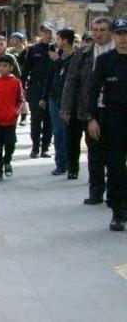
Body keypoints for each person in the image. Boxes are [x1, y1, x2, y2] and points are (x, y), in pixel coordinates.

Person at [62, 17, 113, 197]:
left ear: (110, 31)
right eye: (95, 30)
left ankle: (115, 191)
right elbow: (71, 80)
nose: (98, 34)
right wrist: (66, 107)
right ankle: (96, 191)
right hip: (89, 108)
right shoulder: (83, 53)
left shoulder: (118, 51)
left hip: (114, 109)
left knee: (114, 152)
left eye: (103, 30)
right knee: (94, 151)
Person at [85, 16, 127, 231]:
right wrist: (91, 118)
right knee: (116, 168)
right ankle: (118, 212)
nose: (123, 38)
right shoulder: (105, 61)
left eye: (126, 34)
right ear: (113, 36)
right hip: (113, 119)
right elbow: (93, 90)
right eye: (119, 34)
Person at [0, 55, 24, 182]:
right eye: (0, 65)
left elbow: (21, 99)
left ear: (11, 68)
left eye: (5, 66)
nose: (2, 68)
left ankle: (7, 161)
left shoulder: (16, 82)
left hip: (10, 120)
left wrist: (16, 112)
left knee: (10, 143)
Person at [21, 24, 55, 159]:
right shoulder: (34, 50)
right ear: (41, 34)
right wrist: (22, 87)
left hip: (51, 89)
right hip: (36, 89)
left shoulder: (55, 49)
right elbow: (25, 70)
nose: (48, 35)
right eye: (45, 32)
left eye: (50, 32)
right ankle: (35, 147)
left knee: (49, 120)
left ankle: (45, 147)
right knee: (36, 120)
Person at [48, 29, 75, 176]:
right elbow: (51, 77)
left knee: (68, 133)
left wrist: (57, 61)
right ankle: (61, 164)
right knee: (58, 132)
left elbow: (70, 77)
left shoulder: (75, 57)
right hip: (54, 97)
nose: (56, 42)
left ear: (64, 40)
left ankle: (71, 164)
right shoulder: (57, 55)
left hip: (68, 99)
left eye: (58, 39)